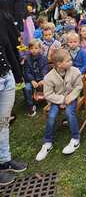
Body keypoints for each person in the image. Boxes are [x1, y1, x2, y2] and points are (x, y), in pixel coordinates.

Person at [35, 49, 83, 161]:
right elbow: (48, 94)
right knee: (51, 116)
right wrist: (62, 100)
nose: (71, 62)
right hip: (57, 100)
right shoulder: (48, 77)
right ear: (59, 64)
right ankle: (47, 143)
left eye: (70, 59)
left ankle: (75, 139)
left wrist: (69, 98)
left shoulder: (75, 71)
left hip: (71, 98)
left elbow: (78, 86)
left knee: (69, 113)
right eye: (68, 60)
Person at [0, 10, 27, 186]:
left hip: (5, 74)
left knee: (3, 122)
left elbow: (7, 42)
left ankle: (4, 160)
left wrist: (15, 73)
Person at [23, 39, 49, 117]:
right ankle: (30, 105)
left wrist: (43, 79)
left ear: (40, 49)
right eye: (31, 48)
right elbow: (26, 71)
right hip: (31, 79)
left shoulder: (44, 58)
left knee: (49, 85)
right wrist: (32, 80)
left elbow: (45, 69)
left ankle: (49, 101)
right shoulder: (27, 59)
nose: (34, 50)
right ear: (29, 49)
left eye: (36, 48)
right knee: (27, 88)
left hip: (41, 78)